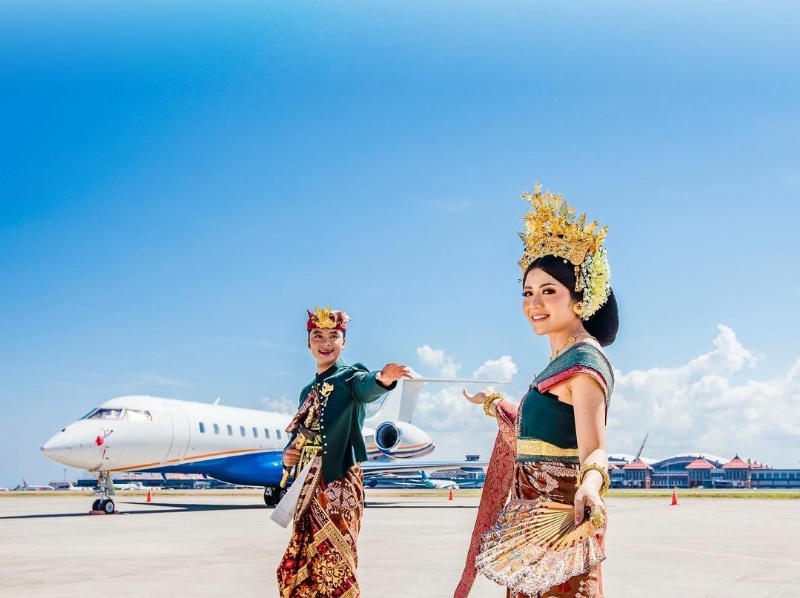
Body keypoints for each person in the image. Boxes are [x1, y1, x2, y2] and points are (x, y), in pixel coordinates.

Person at [454, 183, 619, 598]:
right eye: (528, 292)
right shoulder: (556, 364)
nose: (534, 303)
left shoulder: (585, 363)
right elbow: (541, 431)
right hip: (530, 524)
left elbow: (594, 447)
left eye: (549, 291)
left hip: (560, 521)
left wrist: (590, 485)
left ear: (579, 298)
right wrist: (493, 402)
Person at [277, 306, 411, 598]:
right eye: (318, 335)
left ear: (343, 342)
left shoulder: (350, 377)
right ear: (308, 342)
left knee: (336, 560)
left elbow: (366, 388)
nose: (325, 342)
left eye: (333, 336)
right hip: (308, 484)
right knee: (303, 561)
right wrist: (290, 454)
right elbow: (303, 434)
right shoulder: (307, 390)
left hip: (338, 481)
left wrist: (383, 379)